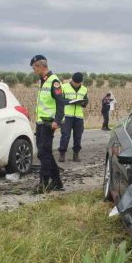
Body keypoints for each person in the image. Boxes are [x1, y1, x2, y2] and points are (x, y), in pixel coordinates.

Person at [30, 55, 64, 193]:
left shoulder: (53, 81)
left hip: (49, 123)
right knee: (45, 153)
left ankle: (43, 184)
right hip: (41, 122)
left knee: (44, 153)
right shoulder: (43, 81)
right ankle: (57, 182)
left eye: (34, 68)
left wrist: (57, 120)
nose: (33, 71)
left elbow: (60, 102)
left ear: (40, 67)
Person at [58, 72, 88, 162]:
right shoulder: (63, 87)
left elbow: (86, 100)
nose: (76, 84)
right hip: (66, 115)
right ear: (72, 80)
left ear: (81, 82)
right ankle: (62, 153)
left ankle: (76, 154)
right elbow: (59, 100)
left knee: (78, 136)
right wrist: (71, 101)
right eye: (75, 82)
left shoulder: (84, 89)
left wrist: (84, 103)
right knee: (65, 135)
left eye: (78, 83)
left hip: (78, 116)